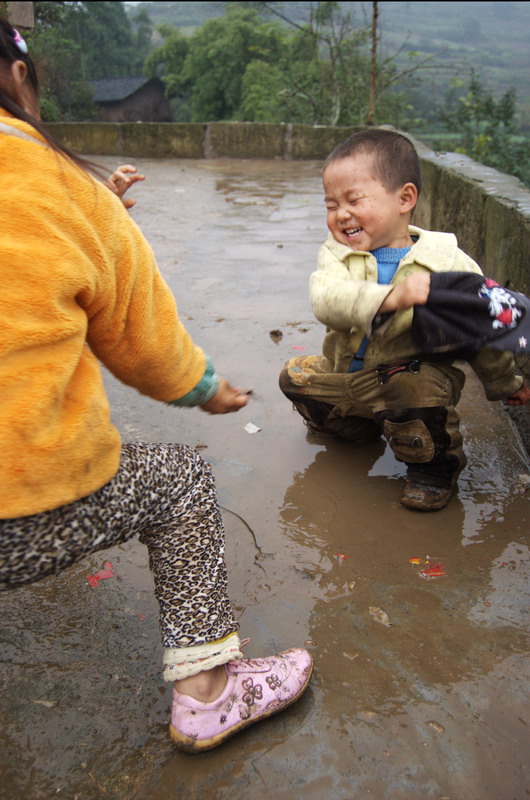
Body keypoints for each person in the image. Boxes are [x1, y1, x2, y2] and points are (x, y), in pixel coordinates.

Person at [0, 19, 312, 753]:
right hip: (21, 506)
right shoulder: (58, 182)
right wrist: (209, 389)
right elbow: (148, 349)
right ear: (18, 80)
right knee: (181, 482)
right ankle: (209, 693)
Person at [279, 128, 530, 511]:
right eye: (331, 204)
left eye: (353, 200)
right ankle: (359, 425)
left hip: (411, 378)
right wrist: (390, 297)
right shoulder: (336, 254)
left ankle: (433, 470)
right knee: (293, 376)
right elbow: (326, 299)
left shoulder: (449, 264)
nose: (341, 214)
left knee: (413, 387)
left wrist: (504, 382)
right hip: (349, 375)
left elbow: (480, 329)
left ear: (405, 198)